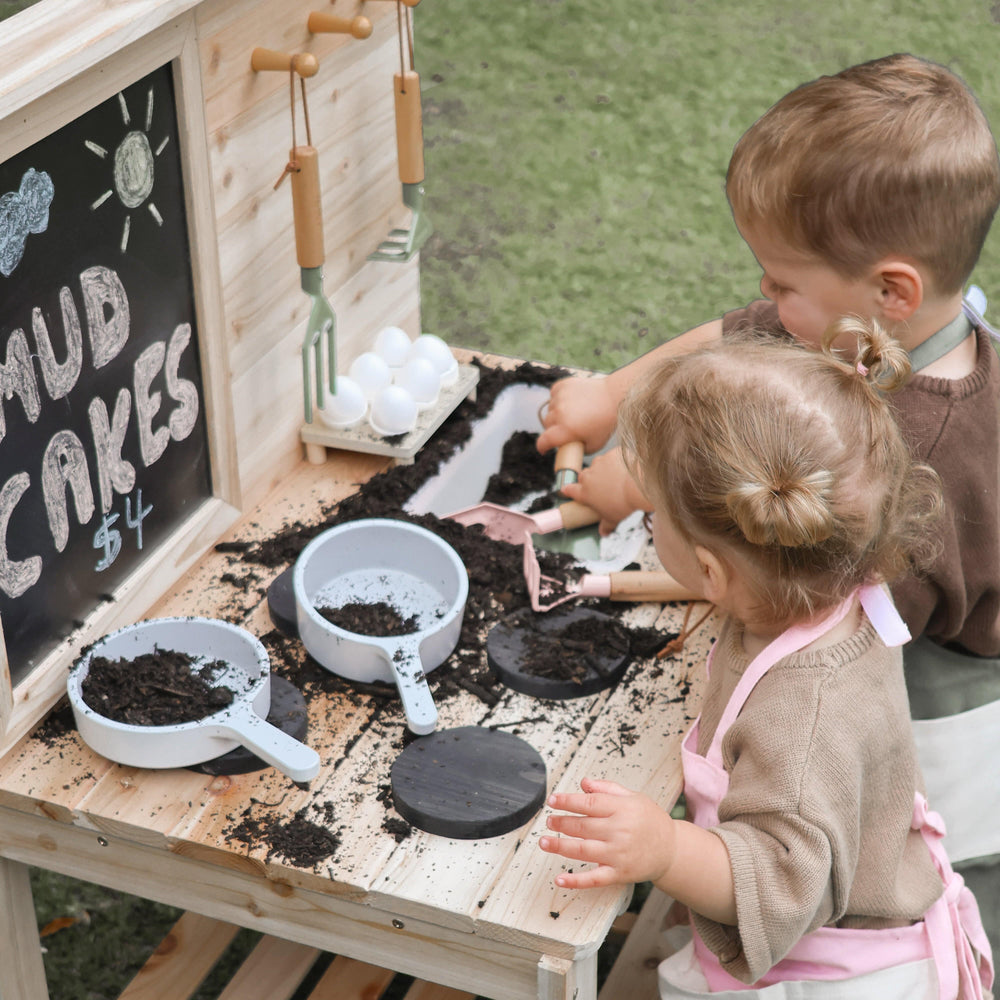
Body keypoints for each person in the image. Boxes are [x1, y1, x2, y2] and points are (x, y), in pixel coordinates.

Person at [535, 53, 1000, 945]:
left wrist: (653, 488)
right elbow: (738, 336)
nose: (764, 297)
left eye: (783, 281)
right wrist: (610, 397)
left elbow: (796, 602)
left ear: (891, 291)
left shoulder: (921, 461)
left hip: (937, 696)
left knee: (882, 862)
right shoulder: (874, 331)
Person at [539, 322, 994, 998]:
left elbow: (784, 886)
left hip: (832, 970)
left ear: (711, 572)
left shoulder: (801, 718)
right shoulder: (827, 577)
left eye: (654, 513)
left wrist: (667, 849)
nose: (649, 519)